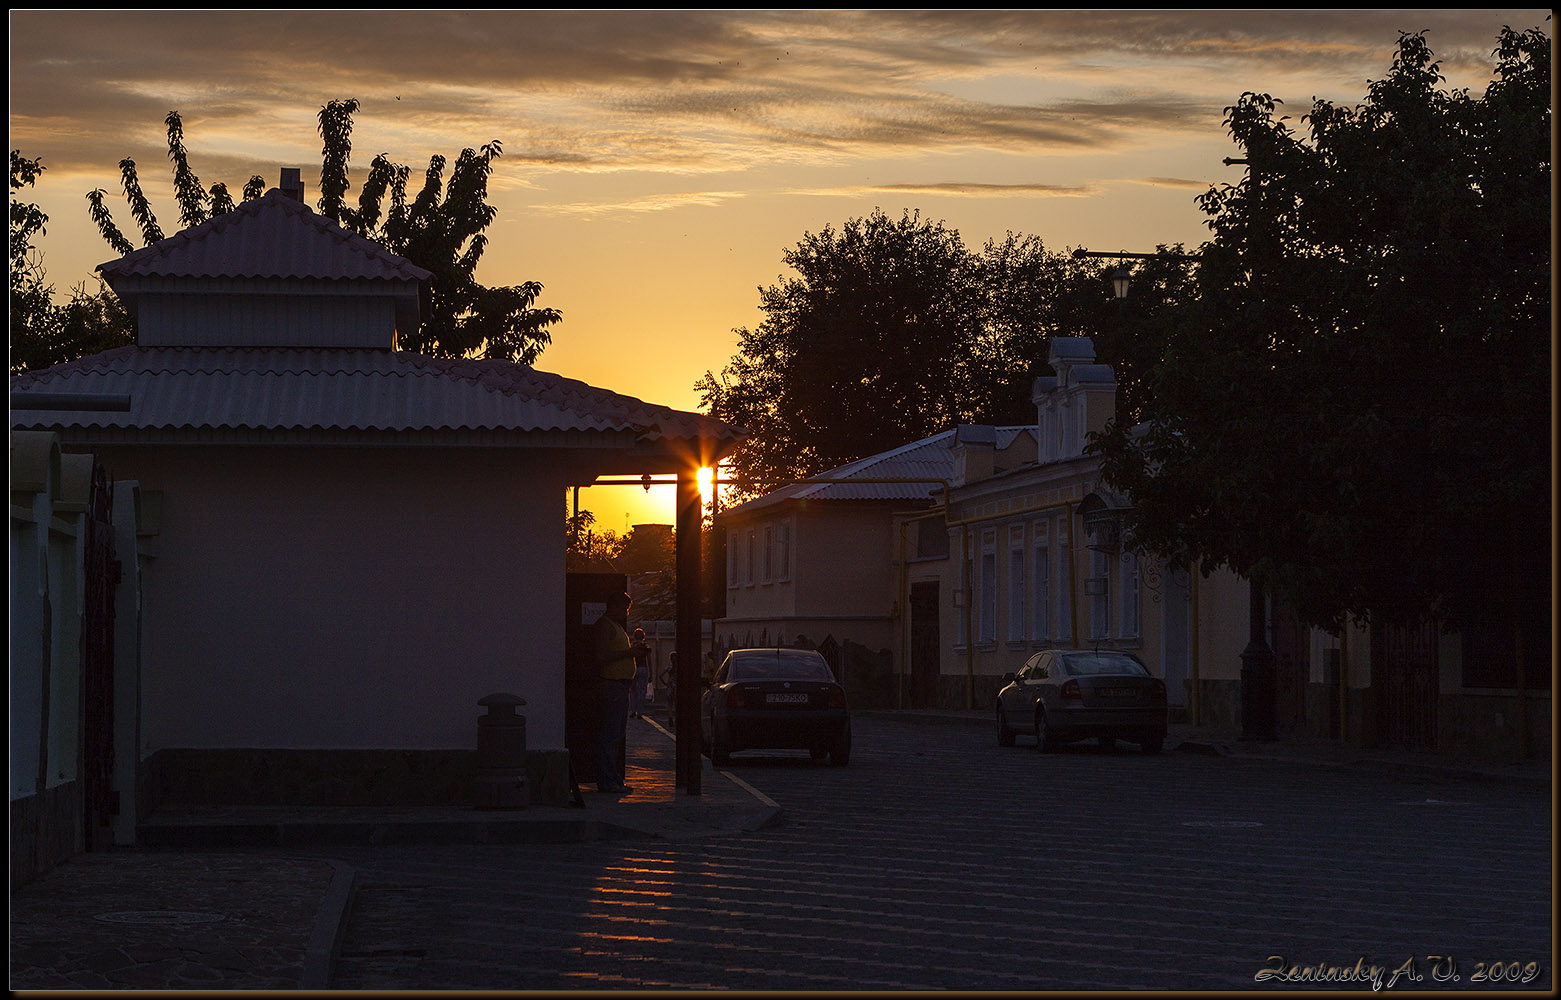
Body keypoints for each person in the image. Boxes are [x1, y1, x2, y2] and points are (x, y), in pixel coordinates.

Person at [593, 591, 637, 794]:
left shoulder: (617, 627)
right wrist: (629, 653)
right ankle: (607, 780)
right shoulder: (605, 626)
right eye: (625, 608)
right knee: (610, 735)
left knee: (616, 734)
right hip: (611, 686)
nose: (626, 613)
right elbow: (602, 656)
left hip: (621, 686)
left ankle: (613, 778)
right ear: (616, 606)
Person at [629, 628, 650, 719]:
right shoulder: (646, 647)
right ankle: (640, 712)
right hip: (643, 668)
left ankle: (633, 710)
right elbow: (649, 661)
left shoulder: (632, 646)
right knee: (642, 691)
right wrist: (651, 672)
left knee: (633, 691)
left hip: (634, 668)